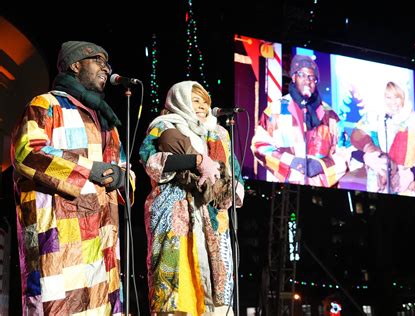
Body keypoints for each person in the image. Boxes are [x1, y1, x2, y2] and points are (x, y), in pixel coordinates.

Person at [10, 41, 134, 314]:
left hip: (102, 238)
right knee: (58, 304)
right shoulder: (47, 104)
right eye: (97, 60)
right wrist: (89, 170)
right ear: (75, 65)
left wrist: (123, 178)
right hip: (59, 236)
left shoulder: (106, 121)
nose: (106, 67)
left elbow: (124, 168)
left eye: (107, 62)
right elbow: (28, 152)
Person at [139, 81, 245, 315]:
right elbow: (151, 161)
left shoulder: (219, 133)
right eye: (195, 100)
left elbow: (234, 170)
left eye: (205, 102)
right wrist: (195, 162)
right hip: (175, 210)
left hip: (213, 215)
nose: (202, 106)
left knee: (216, 288)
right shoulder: (164, 126)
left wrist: (229, 191)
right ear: (180, 100)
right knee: (178, 282)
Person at [251, 54, 349, 186]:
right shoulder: (276, 109)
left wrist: (321, 166)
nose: (307, 81)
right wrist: (290, 161)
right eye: (302, 75)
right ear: (293, 77)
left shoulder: (330, 115)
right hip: (284, 192)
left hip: (321, 193)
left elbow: (345, 152)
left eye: (311, 77)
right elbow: (259, 145)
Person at [350, 81, 415, 197]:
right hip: (378, 187)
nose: (393, 102)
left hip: (409, 188)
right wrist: (367, 155)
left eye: (397, 97)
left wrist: (411, 175)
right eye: (388, 97)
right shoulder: (372, 118)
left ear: (404, 96)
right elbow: (353, 141)